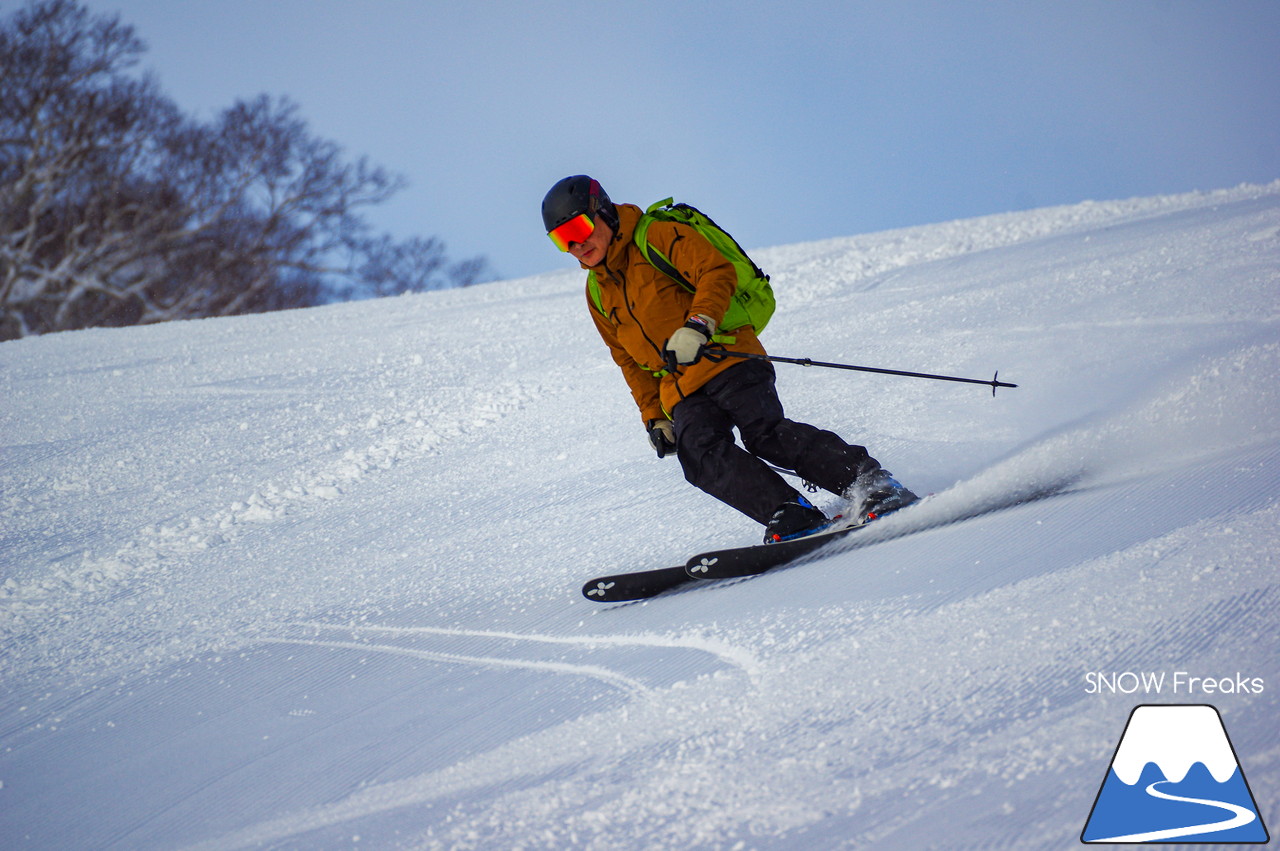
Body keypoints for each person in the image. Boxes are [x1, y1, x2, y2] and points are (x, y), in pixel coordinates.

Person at [542, 175, 917, 543]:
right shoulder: (597, 291)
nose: (576, 244)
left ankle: (869, 483)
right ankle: (790, 510)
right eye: (562, 239)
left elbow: (714, 269)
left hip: (726, 354)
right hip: (680, 389)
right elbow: (626, 358)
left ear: (603, 211)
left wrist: (698, 325)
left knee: (765, 434)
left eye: (578, 227)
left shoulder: (655, 234)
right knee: (700, 457)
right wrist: (653, 415)